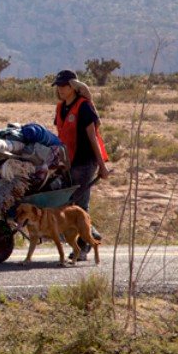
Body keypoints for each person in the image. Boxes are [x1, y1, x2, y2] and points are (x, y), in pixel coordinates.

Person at [52, 69, 110, 260]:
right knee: (67, 203)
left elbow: (93, 137)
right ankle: (91, 234)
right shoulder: (60, 108)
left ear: (73, 87)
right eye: (58, 86)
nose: (61, 89)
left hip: (85, 162)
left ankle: (84, 247)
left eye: (64, 86)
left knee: (81, 203)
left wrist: (101, 165)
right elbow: (60, 136)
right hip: (68, 163)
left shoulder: (84, 107)